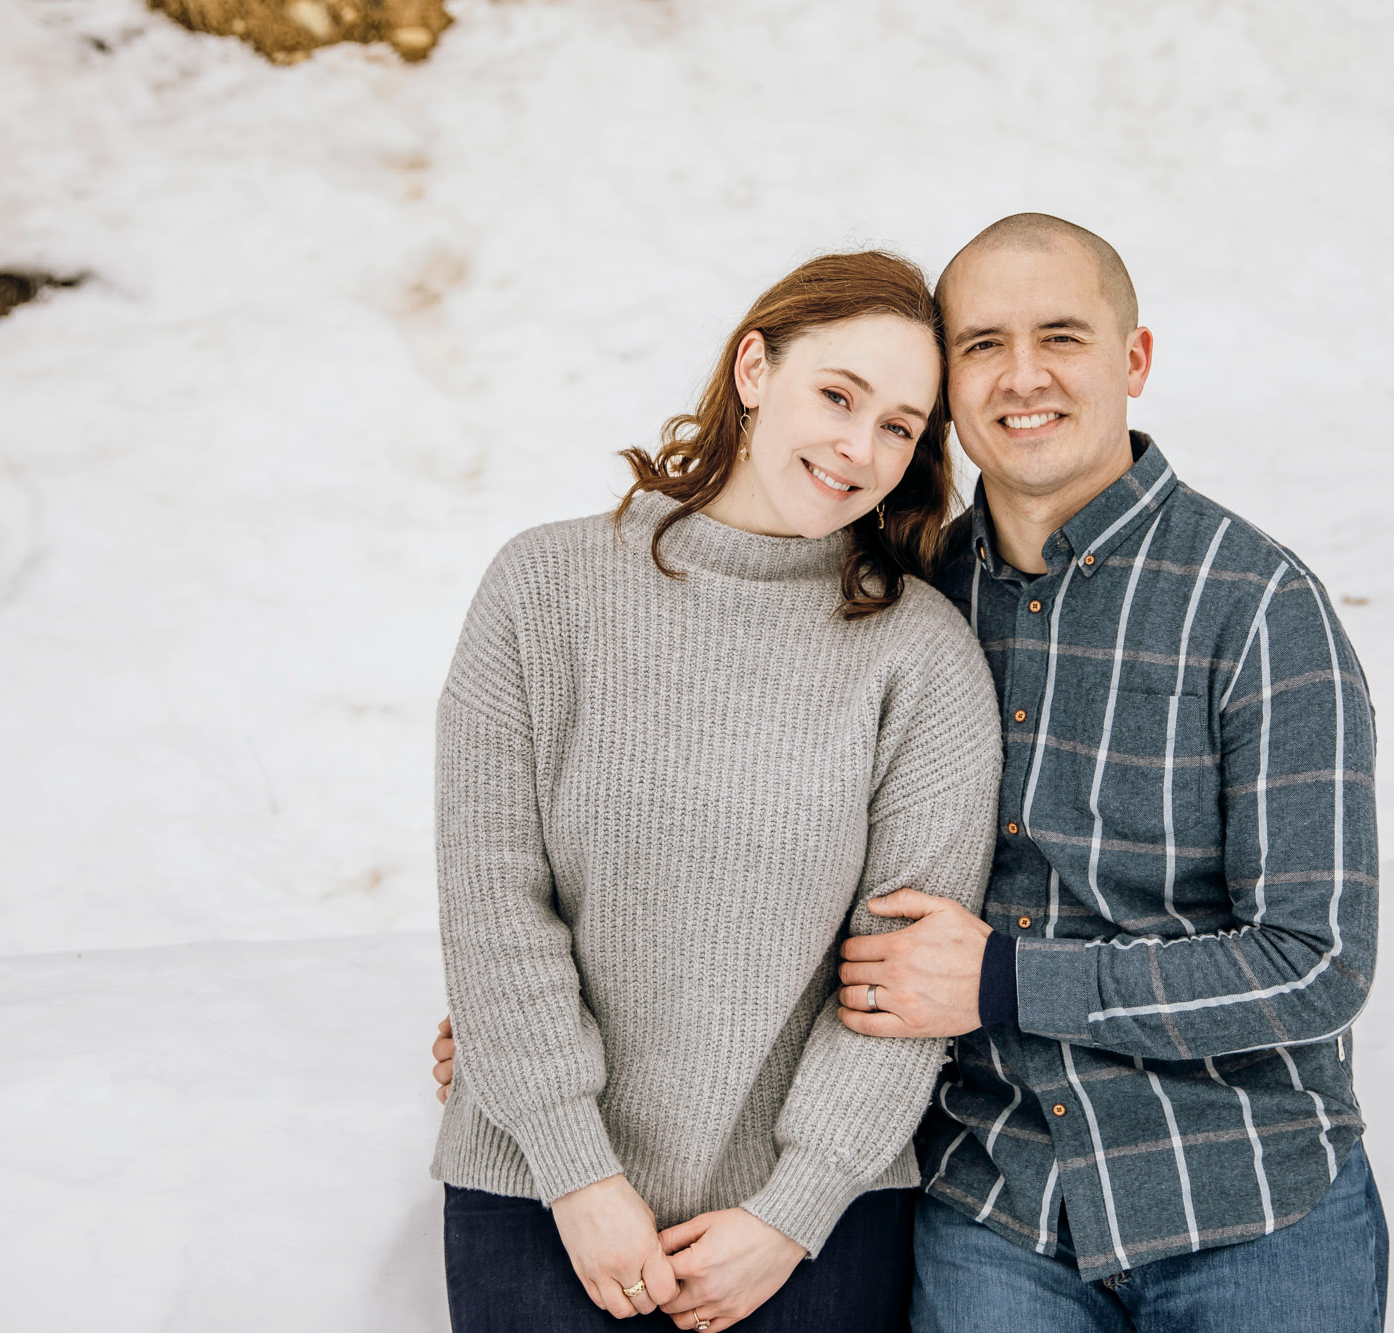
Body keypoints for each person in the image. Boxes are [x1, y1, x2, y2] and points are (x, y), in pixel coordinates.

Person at [437, 215, 1388, 1331]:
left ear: (1132, 360)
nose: (1021, 376)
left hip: (1233, 1185)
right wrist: (522, 1065)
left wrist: (1000, 982)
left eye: (1062, 338)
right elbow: (526, 877)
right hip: (995, 1193)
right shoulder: (923, 584)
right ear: (756, 367)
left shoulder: (1247, 606)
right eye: (982, 343)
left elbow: (1314, 962)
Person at [428, 249, 1001, 1333]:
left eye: (898, 427)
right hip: (539, 1199)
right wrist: (575, 1169)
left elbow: (899, 977)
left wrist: (794, 1207)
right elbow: (493, 893)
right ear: (752, 368)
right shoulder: (543, 589)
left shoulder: (919, 657)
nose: (856, 447)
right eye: (837, 394)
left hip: (808, 1234)